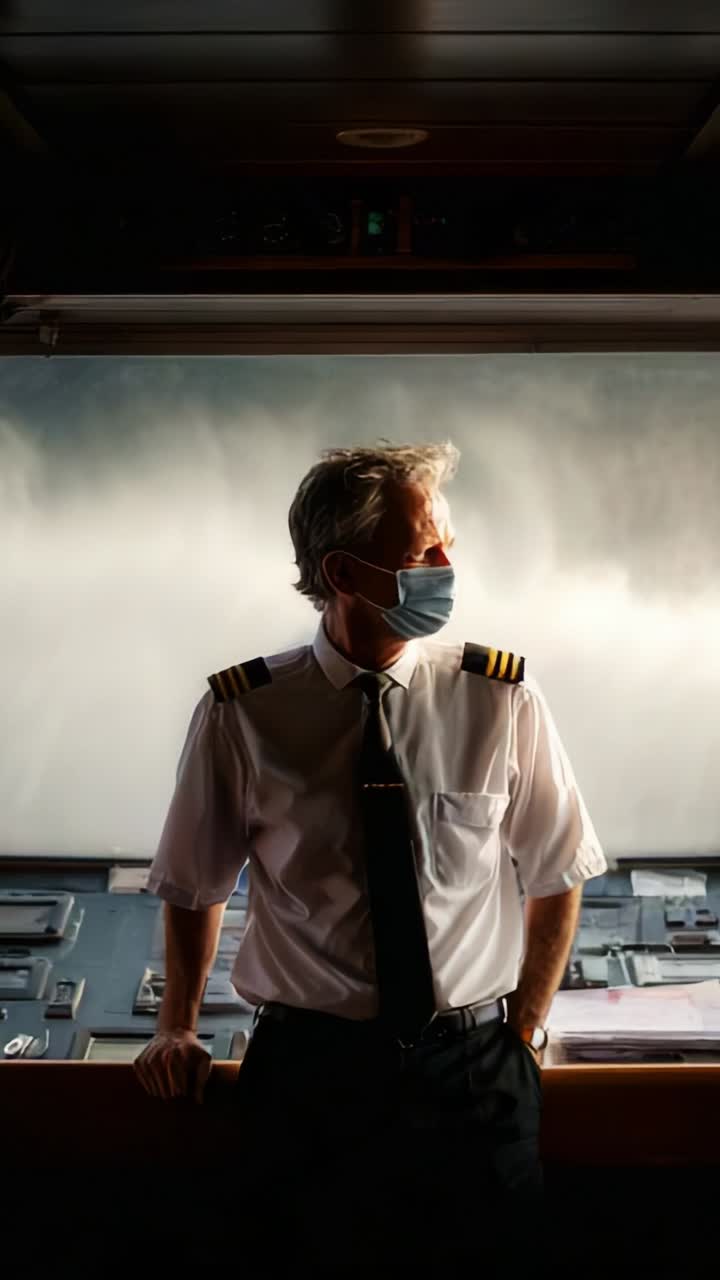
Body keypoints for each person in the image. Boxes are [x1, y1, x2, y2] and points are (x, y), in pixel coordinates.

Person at [134, 441, 607, 1271]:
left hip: (474, 1076)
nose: (448, 566)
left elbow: (557, 868)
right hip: (312, 1079)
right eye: (424, 551)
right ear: (344, 573)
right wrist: (176, 1026)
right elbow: (195, 882)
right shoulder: (245, 714)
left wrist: (524, 1032)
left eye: (447, 544)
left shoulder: (498, 700)